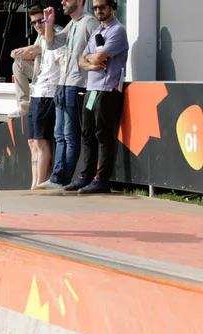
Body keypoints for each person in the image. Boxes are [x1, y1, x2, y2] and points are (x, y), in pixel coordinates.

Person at [64, 0, 128, 194]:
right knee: (87, 134)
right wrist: (92, 63)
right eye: (96, 7)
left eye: (102, 7)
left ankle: (102, 180)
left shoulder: (117, 30)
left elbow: (99, 57)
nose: (99, 10)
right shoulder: (96, 31)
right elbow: (82, 61)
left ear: (112, 7)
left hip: (107, 90)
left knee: (103, 134)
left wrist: (93, 58)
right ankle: (86, 176)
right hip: (91, 89)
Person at [35, 0, 99, 190]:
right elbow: (52, 43)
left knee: (70, 135)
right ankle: (56, 177)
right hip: (62, 85)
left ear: (79, 1)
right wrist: (48, 22)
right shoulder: (72, 24)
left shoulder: (89, 22)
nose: (63, 1)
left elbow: (101, 50)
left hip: (76, 85)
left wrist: (89, 66)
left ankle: (62, 179)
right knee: (59, 135)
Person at [25, 6, 66, 189]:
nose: (37, 25)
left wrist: (62, 88)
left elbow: (62, 62)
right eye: (33, 22)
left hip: (48, 93)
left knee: (42, 141)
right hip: (37, 91)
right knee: (32, 141)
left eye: (40, 20)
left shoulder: (56, 34)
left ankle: (39, 185)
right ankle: (34, 183)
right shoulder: (40, 37)